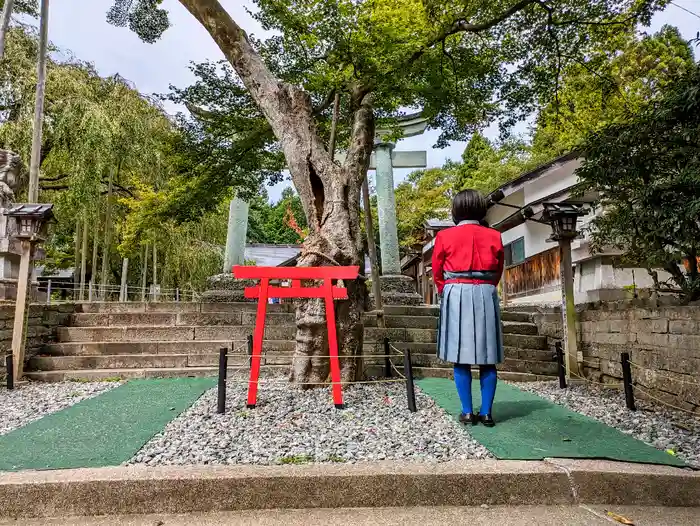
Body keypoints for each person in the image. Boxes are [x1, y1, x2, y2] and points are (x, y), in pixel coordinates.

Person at [432, 189, 504, 427]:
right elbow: (498, 269)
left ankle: (466, 411)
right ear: (481, 209)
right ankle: (486, 412)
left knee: (459, 356)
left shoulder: (444, 236)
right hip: (485, 291)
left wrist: (445, 289)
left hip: (456, 289)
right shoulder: (494, 236)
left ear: (456, 210)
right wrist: (486, 287)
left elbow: (437, 269)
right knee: (488, 356)